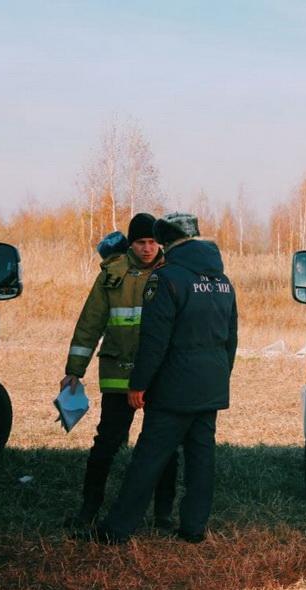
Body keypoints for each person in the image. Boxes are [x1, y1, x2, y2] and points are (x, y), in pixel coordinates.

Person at [95, 212, 238, 544]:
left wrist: (139, 384)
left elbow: (154, 341)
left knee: (147, 459)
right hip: (211, 385)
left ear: (167, 242)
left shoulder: (166, 279)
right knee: (201, 458)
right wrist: (219, 376)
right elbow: (231, 339)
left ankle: (116, 530)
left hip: (173, 388)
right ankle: (193, 528)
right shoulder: (223, 281)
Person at [62, 213, 179, 530]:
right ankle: (89, 509)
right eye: (141, 242)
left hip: (161, 375)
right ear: (130, 244)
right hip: (119, 374)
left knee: (165, 447)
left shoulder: (172, 273)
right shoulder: (111, 275)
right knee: (107, 444)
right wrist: (74, 370)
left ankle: (163, 514)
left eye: (152, 242)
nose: (147, 248)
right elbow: (90, 324)